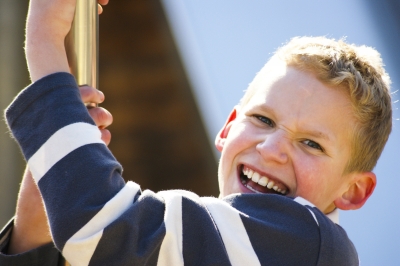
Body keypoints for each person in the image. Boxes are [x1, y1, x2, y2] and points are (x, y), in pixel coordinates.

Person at [0, 0, 392, 265]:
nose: (272, 148)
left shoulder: (309, 245)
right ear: (228, 128)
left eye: (311, 143)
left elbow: (109, 230)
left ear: (353, 190)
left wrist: (46, 38)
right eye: (263, 120)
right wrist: (38, 215)